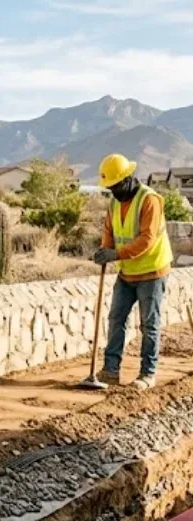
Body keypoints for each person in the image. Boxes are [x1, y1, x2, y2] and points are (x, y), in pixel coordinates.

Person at [94, 153, 173, 390]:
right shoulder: (115, 202)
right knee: (116, 318)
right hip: (127, 272)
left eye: (116, 185)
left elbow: (147, 239)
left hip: (152, 271)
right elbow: (109, 229)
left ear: (128, 178)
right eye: (110, 187)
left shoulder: (150, 200)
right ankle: (110, 370)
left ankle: (147, 374)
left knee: (149, 324)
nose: (114, 191)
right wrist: (104, 250)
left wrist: (116, 254)